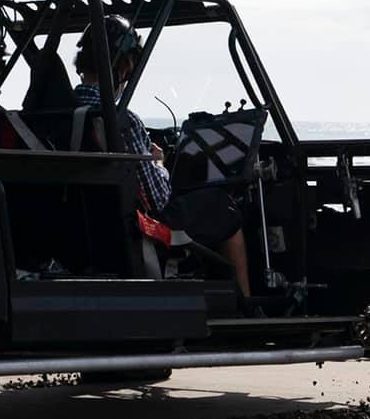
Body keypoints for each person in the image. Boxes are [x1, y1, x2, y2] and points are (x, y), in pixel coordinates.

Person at [74, 16, 252, 299]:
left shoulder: (64, 113)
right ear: (124, 66)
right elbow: (158, 200)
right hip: (137, 228)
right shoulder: (119, 120)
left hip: (89, 228)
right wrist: (158, 163)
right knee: (223, 208)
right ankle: (247, 306)